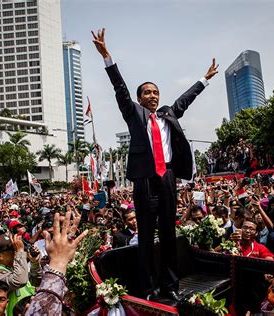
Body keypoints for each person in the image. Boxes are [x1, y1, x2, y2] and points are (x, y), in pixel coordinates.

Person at [92, 28, 219, 300]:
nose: (152, 96)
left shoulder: (168, 114)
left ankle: (170, 286)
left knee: (169, 233)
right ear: (140, 99)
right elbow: (120, 89)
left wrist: (204, 79)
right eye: (147, 92)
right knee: (147, 236)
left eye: (156, 92)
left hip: (168, 177)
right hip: (144, 179)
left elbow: (187, 98)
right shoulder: (133, 113)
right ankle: (148, 288)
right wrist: (107, 58)